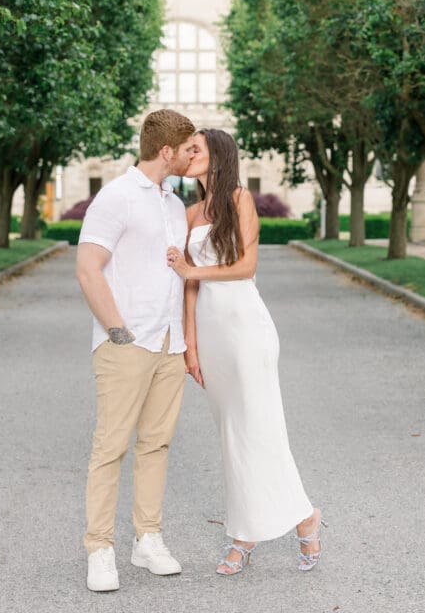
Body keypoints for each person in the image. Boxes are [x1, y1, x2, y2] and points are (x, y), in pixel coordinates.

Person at [167, 128, 325, 575]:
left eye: (196, 148)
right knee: (232, 436)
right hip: (211, 336)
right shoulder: (190, 211)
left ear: (218, 154)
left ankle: (266, 529)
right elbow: (189, 286)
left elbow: (245, 266)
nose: (190, 154)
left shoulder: (239, 199)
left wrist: (191, 269)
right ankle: (263, 527)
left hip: (246, 328)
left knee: (259, 431)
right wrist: (190, 344)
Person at [76, 109, 196, 592]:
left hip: (169, 342)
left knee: (157, 444)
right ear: (167, 151)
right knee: (111, 448)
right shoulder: (116, 197)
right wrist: (117, 331)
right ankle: (99, 548)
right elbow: (88, 268)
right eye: (189, 148)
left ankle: (147, 539)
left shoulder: (172, 202)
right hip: (127, 342)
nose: (194, 155)